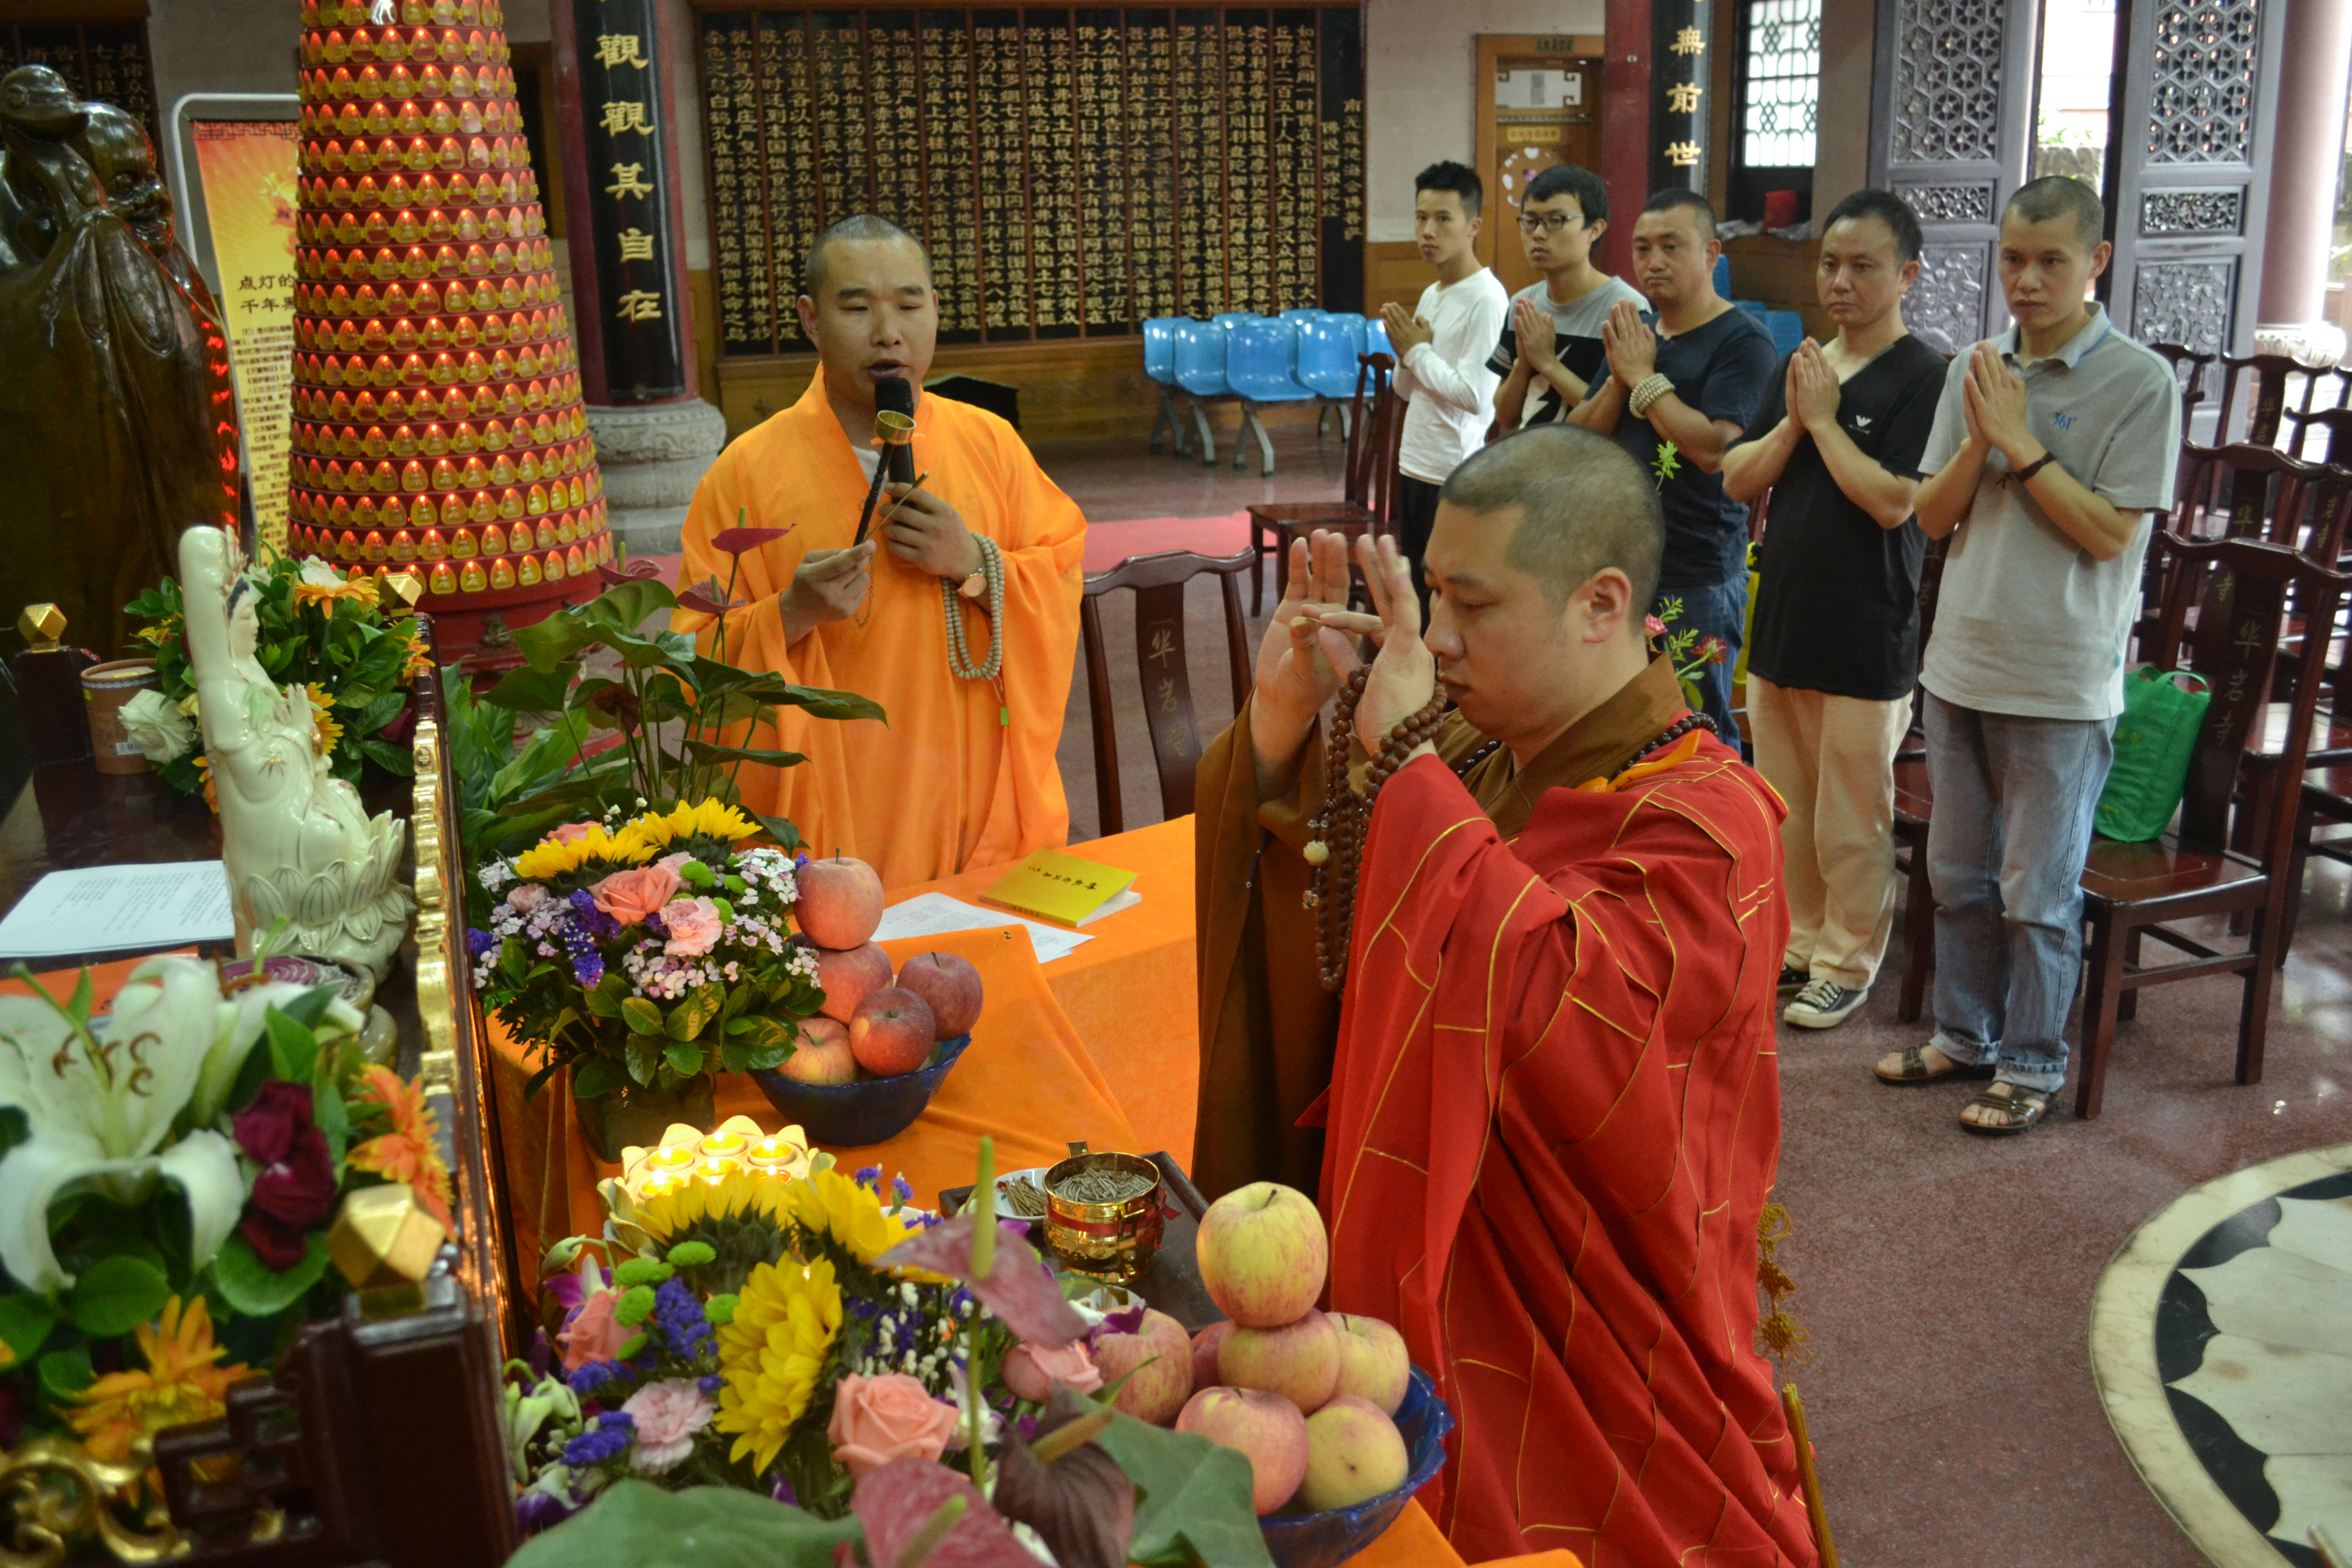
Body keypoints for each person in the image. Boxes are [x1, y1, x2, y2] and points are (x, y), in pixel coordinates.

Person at [1192, 426, 1815, 1562]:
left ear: (1601, 603)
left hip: (1608, 1335)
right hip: (1445, 1311)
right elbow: (1346, 904)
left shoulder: (1710, 828)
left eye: (1472, 608)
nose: (1434, 640)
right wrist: (1284, 729)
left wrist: (1408, 775)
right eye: (1430, 596)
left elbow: (1559, 1024)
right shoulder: (1487, 757)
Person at [1872, 176, 2182, 1133]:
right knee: (1955, 877)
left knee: (2035, 896)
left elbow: (2107, 536)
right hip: (1960, 660)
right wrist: (1981, 436)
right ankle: (1962, 1037)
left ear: (2094, 262)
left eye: (2051, 259)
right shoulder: (1976, 362)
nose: (2029, 278)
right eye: (2014, 257)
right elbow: (1928, 515)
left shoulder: (2137, 380)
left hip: (2057, 679)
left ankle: (2033, 1063)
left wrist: (2020, 443)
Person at [673, 214, 1087, 890]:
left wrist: (976, 563)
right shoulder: (746, 472)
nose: (887, 331)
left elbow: (1060, 574)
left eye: (908, 303)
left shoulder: (992, 445)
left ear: (934, 311)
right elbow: (686, 662)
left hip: (972, 789)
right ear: (811, 319)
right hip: (835, 808)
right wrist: (790, 614)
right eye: (857, 307)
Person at [1723, 189, 1948, 1031]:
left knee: (1851, 814)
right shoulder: (1808, 365)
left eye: (1861, 265)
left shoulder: (1923, 376)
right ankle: (1800, 941)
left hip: (1865, 626)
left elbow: (1894, 501)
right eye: (1828, 263)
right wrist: (1796, 420)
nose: (1840, 281)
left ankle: (1848, 960)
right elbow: (1739, 477)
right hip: (1784, 616)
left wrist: (1820, 424)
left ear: (1905, 274)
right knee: (1786, 800)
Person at [1569, 189, 1776, 740]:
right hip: (1621, 567)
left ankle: (1714, 827)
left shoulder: (1742, 343)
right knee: (1616, 724)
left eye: (1670, 246)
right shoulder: (1637, 330)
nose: (1653, 262)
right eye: (1642, 248)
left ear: (1712, 254)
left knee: (1696, 731)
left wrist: (1643, 378)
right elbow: (1578, 442)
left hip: (1695, 575)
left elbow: (1716, 450)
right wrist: (1619, 375)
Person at [1381, 161, 1509, 617]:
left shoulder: (1488, 298)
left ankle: (1443, 689)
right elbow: (1405, 389)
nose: (1427, 231)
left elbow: (1477, 397)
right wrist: (1405, 354)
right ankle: (1418, 686)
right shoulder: (1435, 293)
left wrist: (1416, 353)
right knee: (1415, 594)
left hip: (1452, 472)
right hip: (1415, 462)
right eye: (1421, 218)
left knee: (1444, 599)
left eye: (1442, 219)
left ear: (1473, 226)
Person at [1486, 163, 1642, 432]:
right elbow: (1505, 416)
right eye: (1530, 221)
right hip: (1531, 460)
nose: (1538, 234)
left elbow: (1618, 418)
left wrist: (1547, 363)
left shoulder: (1624, 309)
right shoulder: (1523, 305)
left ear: (1595, 229)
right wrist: (1524, 364)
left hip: (1593, 467)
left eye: (1555, 221)